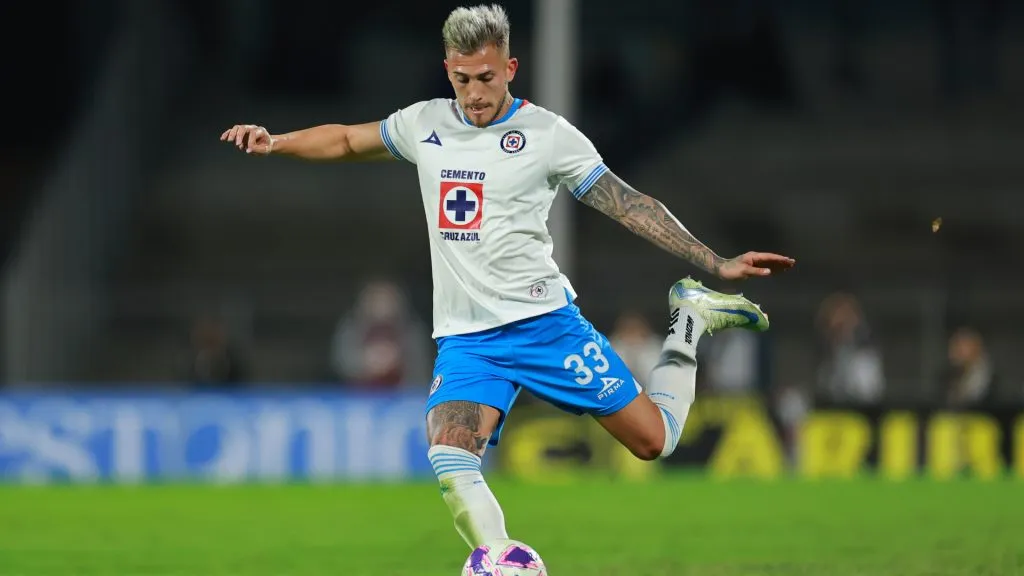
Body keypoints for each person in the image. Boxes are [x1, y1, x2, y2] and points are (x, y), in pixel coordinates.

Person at [220, 3, 795, 550]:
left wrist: (713, 262)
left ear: (511, 68)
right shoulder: (425, 123)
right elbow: (347, 138)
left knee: (655, 441)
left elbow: (628, 204)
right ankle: (498, 558)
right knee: (449, 454)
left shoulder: (548, 134)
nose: (473, 93)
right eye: (462, 79)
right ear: (448, 69)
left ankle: (689, 319)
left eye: (486, 78)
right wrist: (277, 142)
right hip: (467, 340)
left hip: (545, 326)